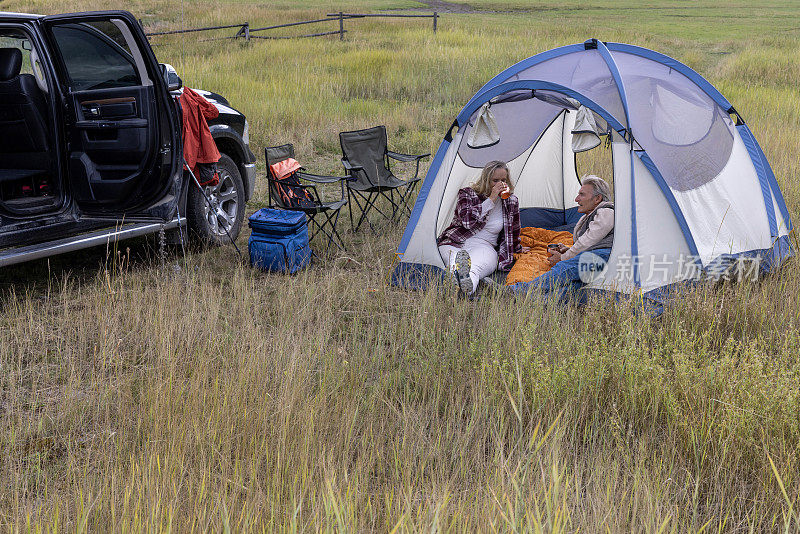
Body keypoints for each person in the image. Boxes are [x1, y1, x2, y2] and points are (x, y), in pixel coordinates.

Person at [437, 160, 525, 295]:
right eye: (495, 180)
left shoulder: (511, 201)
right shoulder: (467, 194)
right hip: (456, 241)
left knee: (476, 267)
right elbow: (466, 222)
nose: (500, 184)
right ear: (486, 180)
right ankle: (459, 275)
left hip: (485, 245)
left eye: (503, 180)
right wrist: (491, 199)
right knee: (454, 259)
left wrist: (518, 248)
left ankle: (466, 286)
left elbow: (513, 230)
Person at [520, 174, 614, 296]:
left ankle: (518, 291)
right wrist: (568, 250)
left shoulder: (607, 211)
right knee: (572, 288)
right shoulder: (589, 216)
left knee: (564, 268)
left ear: (597, 199)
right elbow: (589, 244)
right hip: (595, 257)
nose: (576, 199)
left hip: (606, 256)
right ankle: (537, 302)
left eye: (582, 194)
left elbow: (588, 241)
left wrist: (563, 258)